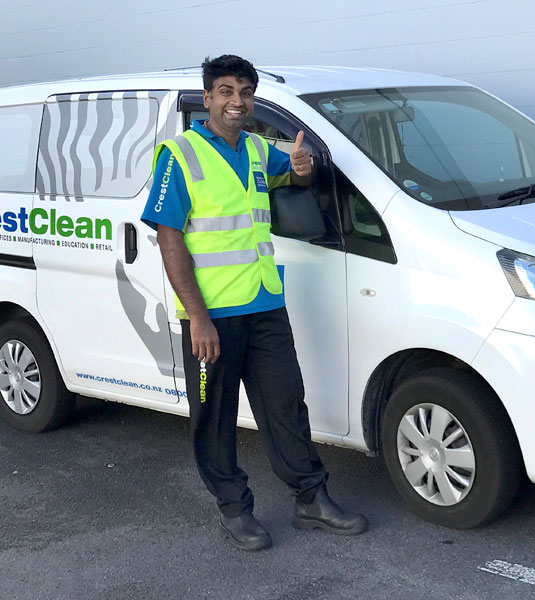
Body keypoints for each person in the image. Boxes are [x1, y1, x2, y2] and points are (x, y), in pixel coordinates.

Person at [141, 54, 368, 551]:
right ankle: (234, 509)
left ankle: (311, 498)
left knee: (286, 405)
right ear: (207, 99)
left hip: (265, 304)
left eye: (245, 92)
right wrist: (197, 318)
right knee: (215, 417)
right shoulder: (179, 156)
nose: (236, 101)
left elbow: (297, 176)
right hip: (213, 317)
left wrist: (303, 167)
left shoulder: (259, 151)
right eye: (225, 91)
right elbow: (168, 237)